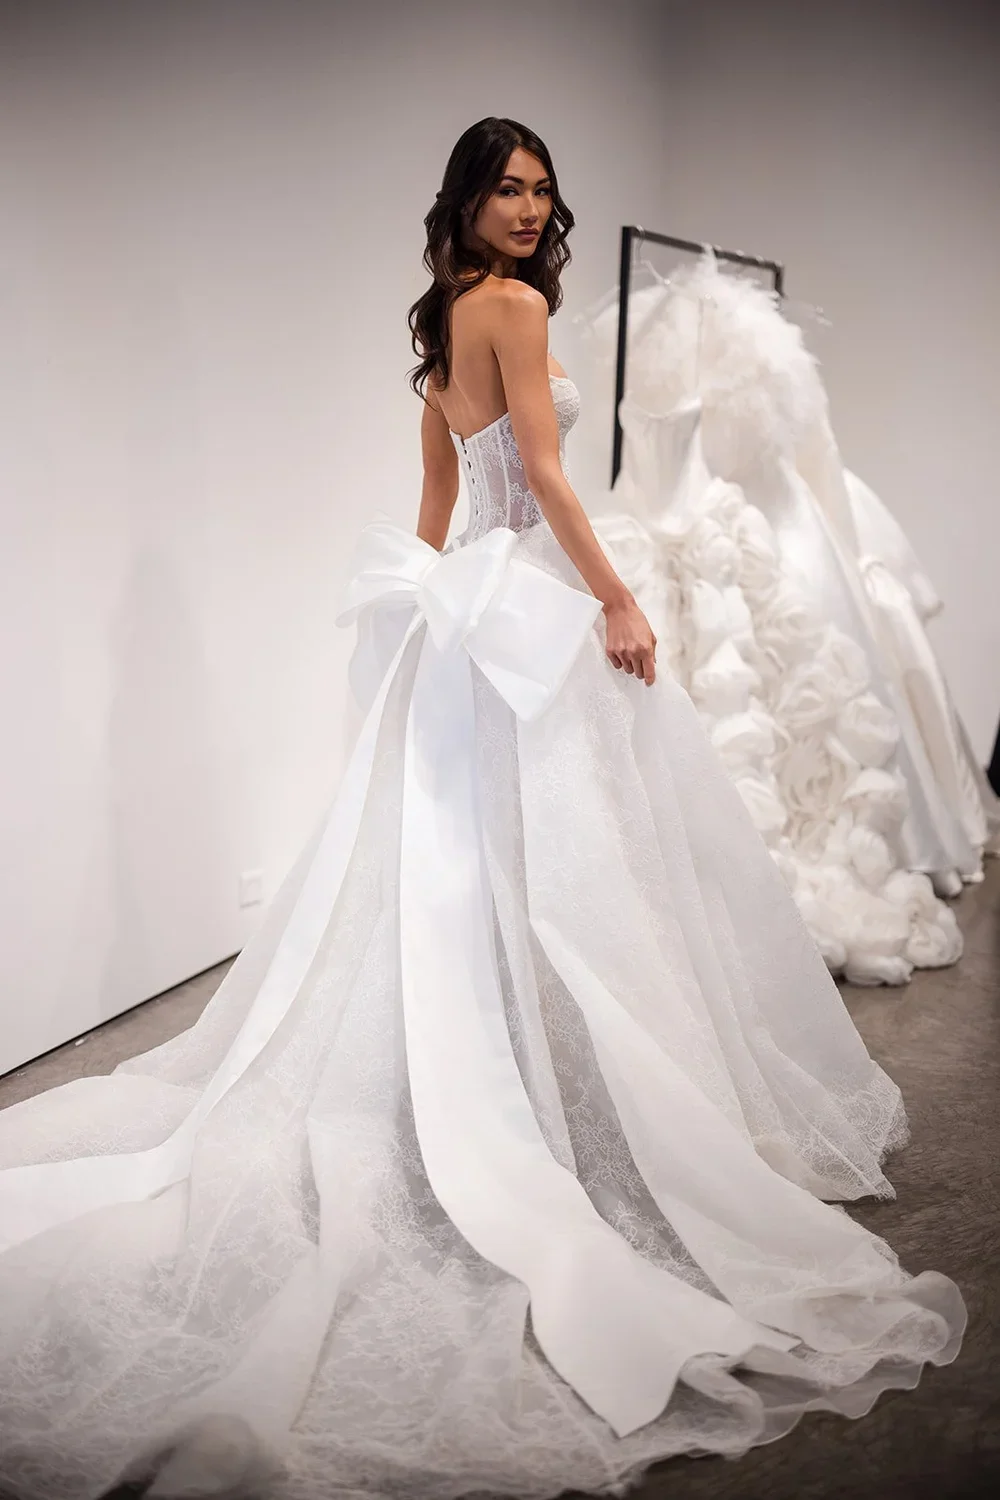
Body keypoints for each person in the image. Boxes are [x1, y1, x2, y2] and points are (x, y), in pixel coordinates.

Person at [0, 116, 965, 1500]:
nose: (528, 208)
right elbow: (545, 479)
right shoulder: (511, 308)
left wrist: (428, 620)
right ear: (466, 200)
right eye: (506, 188)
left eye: (541, 190)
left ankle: (495, 1081)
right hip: (531, 608)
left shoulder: (444, 324)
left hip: (471, 620)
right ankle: (559, 1113)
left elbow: (438, 507)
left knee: (467, 873)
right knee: (564, 870)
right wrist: (616, 600)